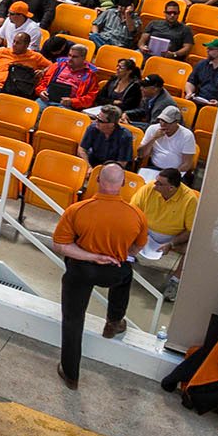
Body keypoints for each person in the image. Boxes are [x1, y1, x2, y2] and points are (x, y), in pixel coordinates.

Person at [50, 163, 151, 387]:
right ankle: (114, 321)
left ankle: (71, 374)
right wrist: (115, 256)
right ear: (123, 184)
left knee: (73, 320)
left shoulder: (78, 210)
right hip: (113, 270)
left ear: (97, 181)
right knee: (126, 276)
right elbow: (136, 248)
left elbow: (60, 245)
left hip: (81, 270)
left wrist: (91, 256)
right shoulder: (136, 215)